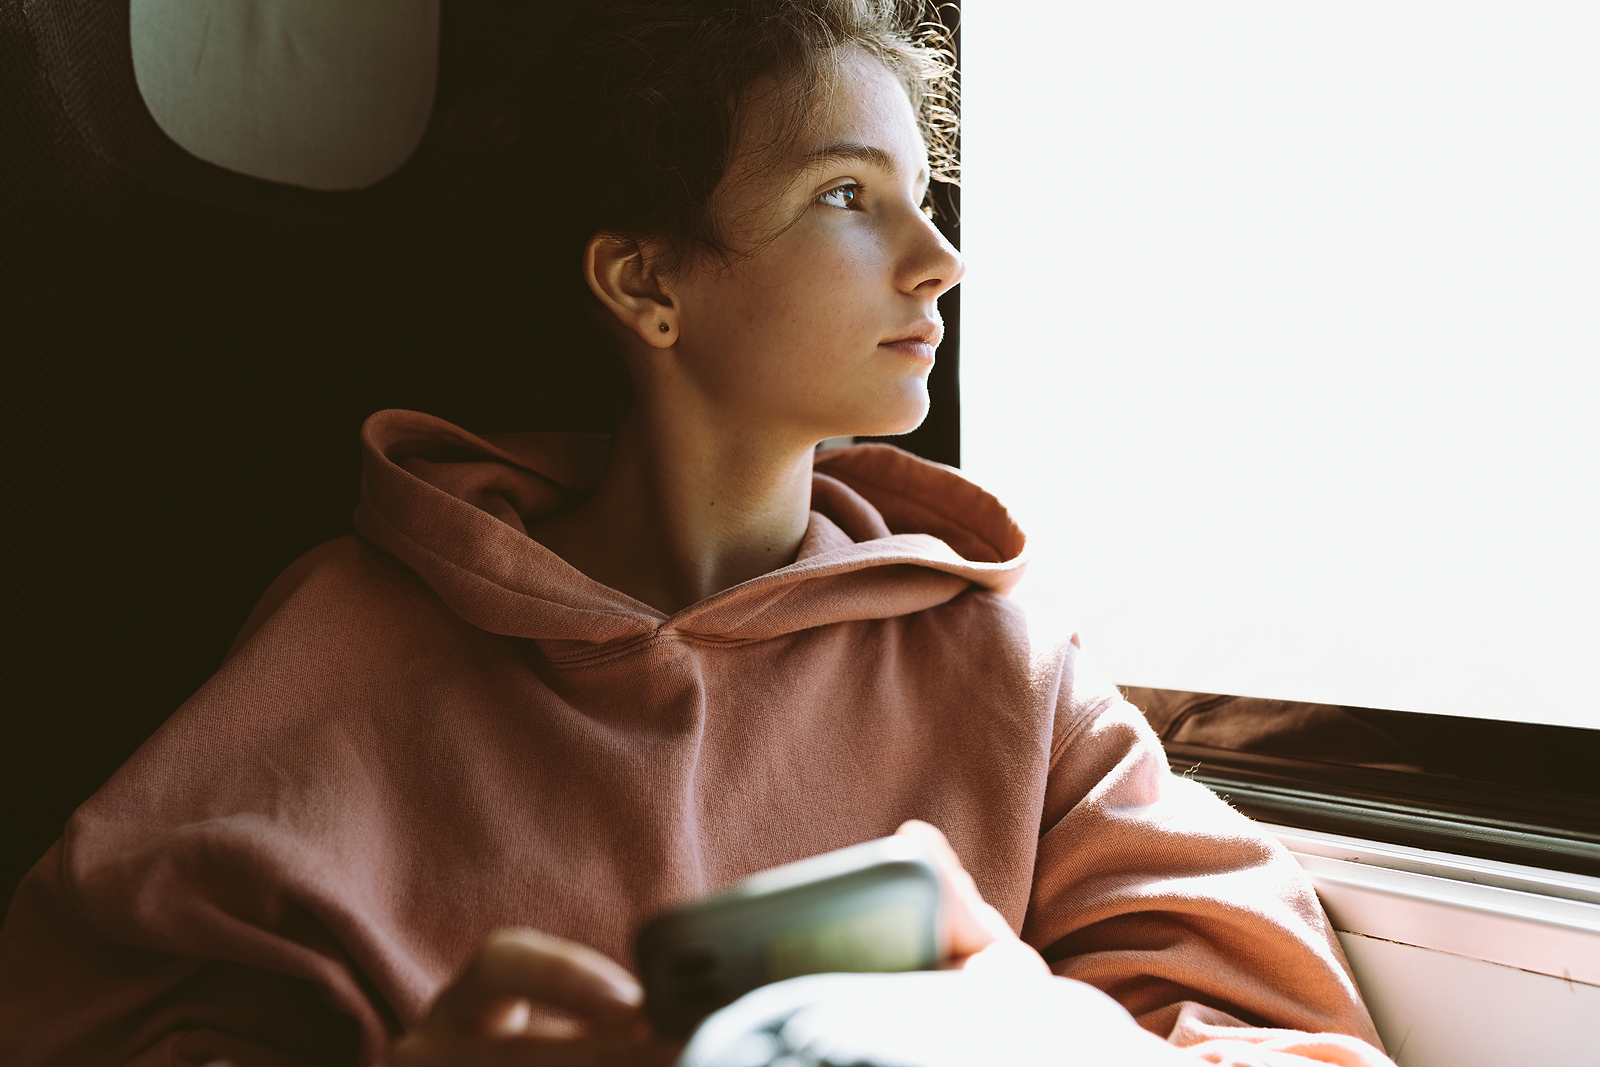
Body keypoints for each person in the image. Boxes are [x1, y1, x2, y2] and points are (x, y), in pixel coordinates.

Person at [0, 2, 1396, 1065]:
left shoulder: (1001, 658)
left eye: (926, 195)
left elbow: (1291, 1042)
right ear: (646, 282)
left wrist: (1025, 1032)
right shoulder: (359, 633)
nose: (940, 257)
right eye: (848, 197)